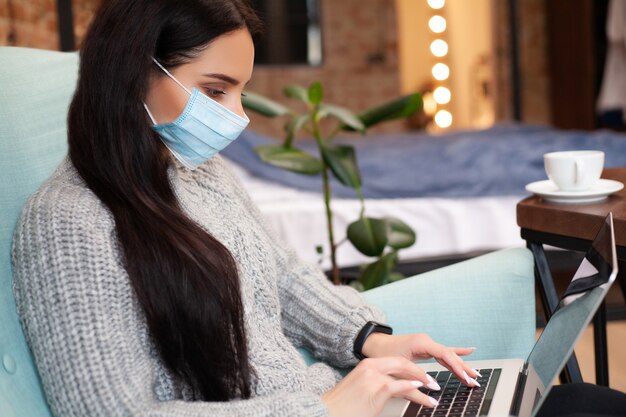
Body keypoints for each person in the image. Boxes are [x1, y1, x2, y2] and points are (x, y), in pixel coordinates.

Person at [9, 1, 626, 417]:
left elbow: (284, 277)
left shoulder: (200, 173)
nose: (237, 116)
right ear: (130, 74)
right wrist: (324, 408)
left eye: (242, 92)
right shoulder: (70, 223)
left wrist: (372, 339)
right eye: (216, 91)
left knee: (584, 404)